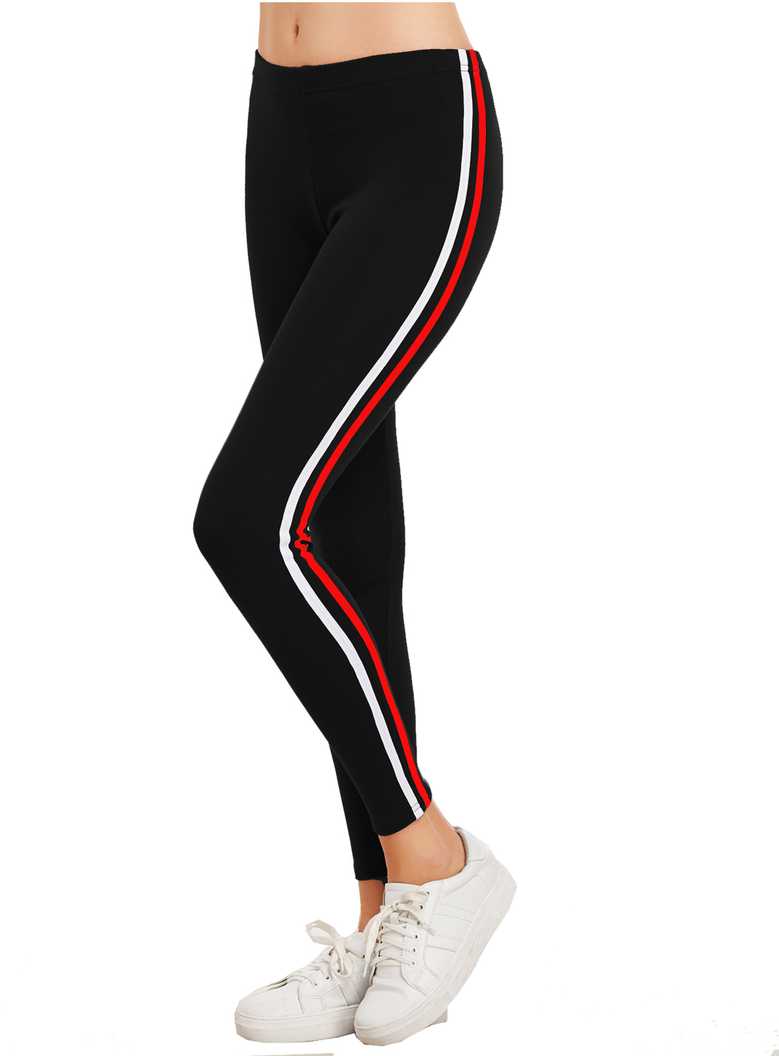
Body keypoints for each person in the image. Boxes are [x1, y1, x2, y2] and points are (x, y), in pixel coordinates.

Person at [194, 3, 513, 1045]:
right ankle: (384, 922)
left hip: (415, 127)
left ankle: (434, 856)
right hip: (280, 118)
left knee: (247, 521)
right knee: (340, 532)